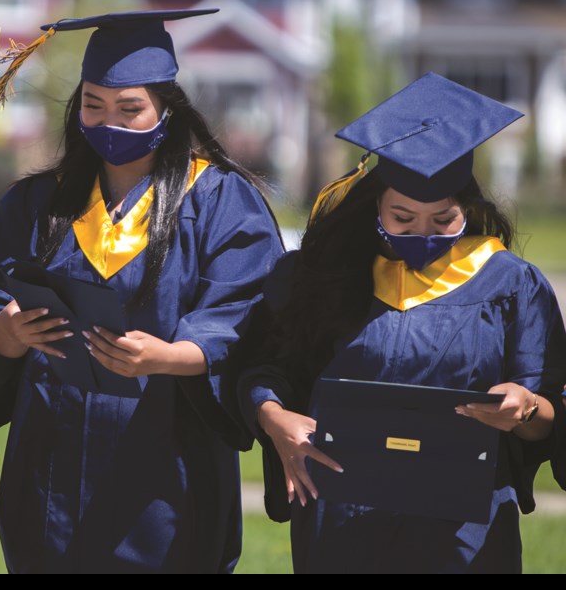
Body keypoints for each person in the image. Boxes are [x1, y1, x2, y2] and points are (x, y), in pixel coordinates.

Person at [0, 9, 283, 573]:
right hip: (49, 472)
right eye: (93, 105)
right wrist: (2, 331)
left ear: (166, 109)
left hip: (167, 469)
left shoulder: (220, 201)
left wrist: (171, 356)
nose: (111, 122)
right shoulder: (40, 203)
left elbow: (247, 308)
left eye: (130, 108)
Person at [236, 72, 566, 573]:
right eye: (402, 218)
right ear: (376, 208)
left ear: (469, 210)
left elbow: (550, 413)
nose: (423, 234)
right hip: (343, 526)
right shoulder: (326, 277)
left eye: (443, 220)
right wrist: (273, 416)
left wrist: (524, 410)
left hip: (464, 537)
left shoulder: (511, 286)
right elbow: (265, 368)